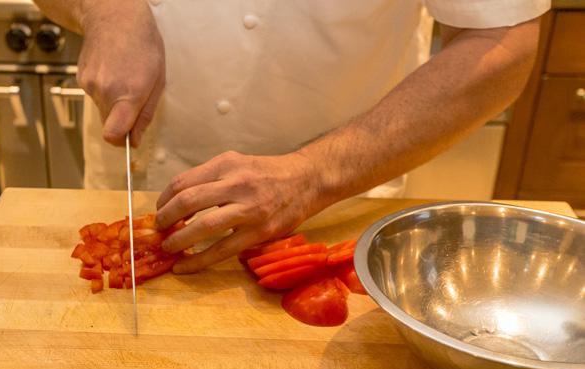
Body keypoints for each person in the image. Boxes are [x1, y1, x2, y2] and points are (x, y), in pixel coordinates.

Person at [34, 0, 547, 273]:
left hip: (333, 205)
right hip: (131, 180)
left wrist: (314, 176)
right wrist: (102, 6)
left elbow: (501, 45)